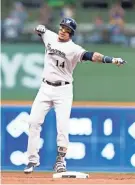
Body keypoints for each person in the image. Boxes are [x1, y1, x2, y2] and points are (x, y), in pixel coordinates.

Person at [24, 17, 127, 174]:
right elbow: (40, 30)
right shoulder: (50, 36)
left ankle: (61, 160)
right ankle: (32, 160)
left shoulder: (74, 49)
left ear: (71, 33)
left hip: (63, 90)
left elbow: (92, 56)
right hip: (45, 87)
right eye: (61, 28)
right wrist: (39, 28)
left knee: (63, 126)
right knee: (33, 122)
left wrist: (111, 60)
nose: (62, 31)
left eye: (66, 30)